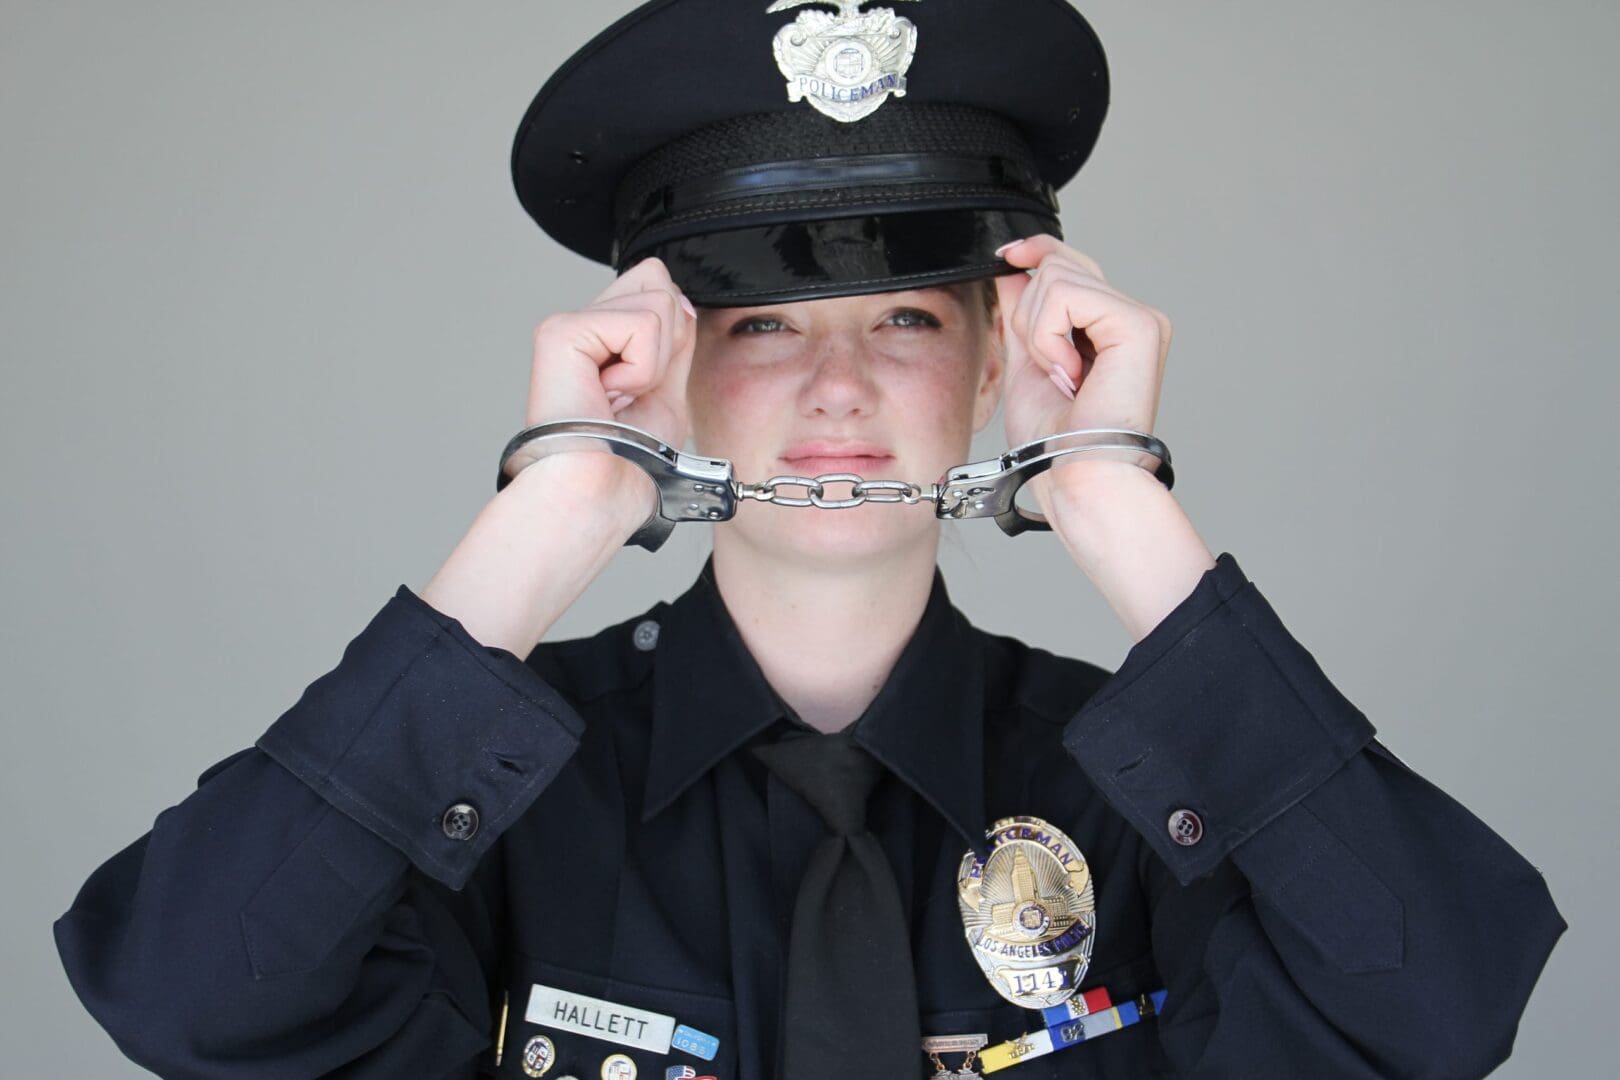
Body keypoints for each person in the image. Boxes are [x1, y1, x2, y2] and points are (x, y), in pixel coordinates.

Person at [55, 1, 1565, 1077]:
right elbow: (188, 996)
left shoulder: (1139, 789)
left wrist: (1111, 488)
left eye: (907, 316)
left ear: (995, 364)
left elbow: (1438, 1010)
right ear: (674, 367)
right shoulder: (507, 798)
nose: (839, 385)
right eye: (763, 320)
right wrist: (556, 502)